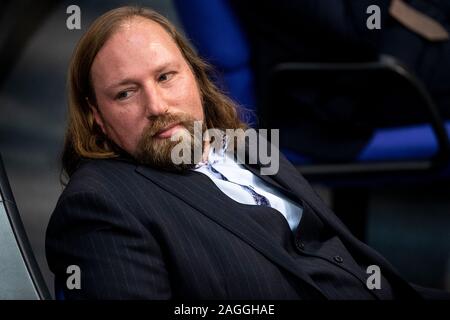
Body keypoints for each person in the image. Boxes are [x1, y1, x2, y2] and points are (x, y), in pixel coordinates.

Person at [46, 6, 449, 300]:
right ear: (96, 117)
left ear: (195, 74)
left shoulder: (240, 143)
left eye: (166, 76)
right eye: (125, 93)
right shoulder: (97, 206)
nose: (156, 105)